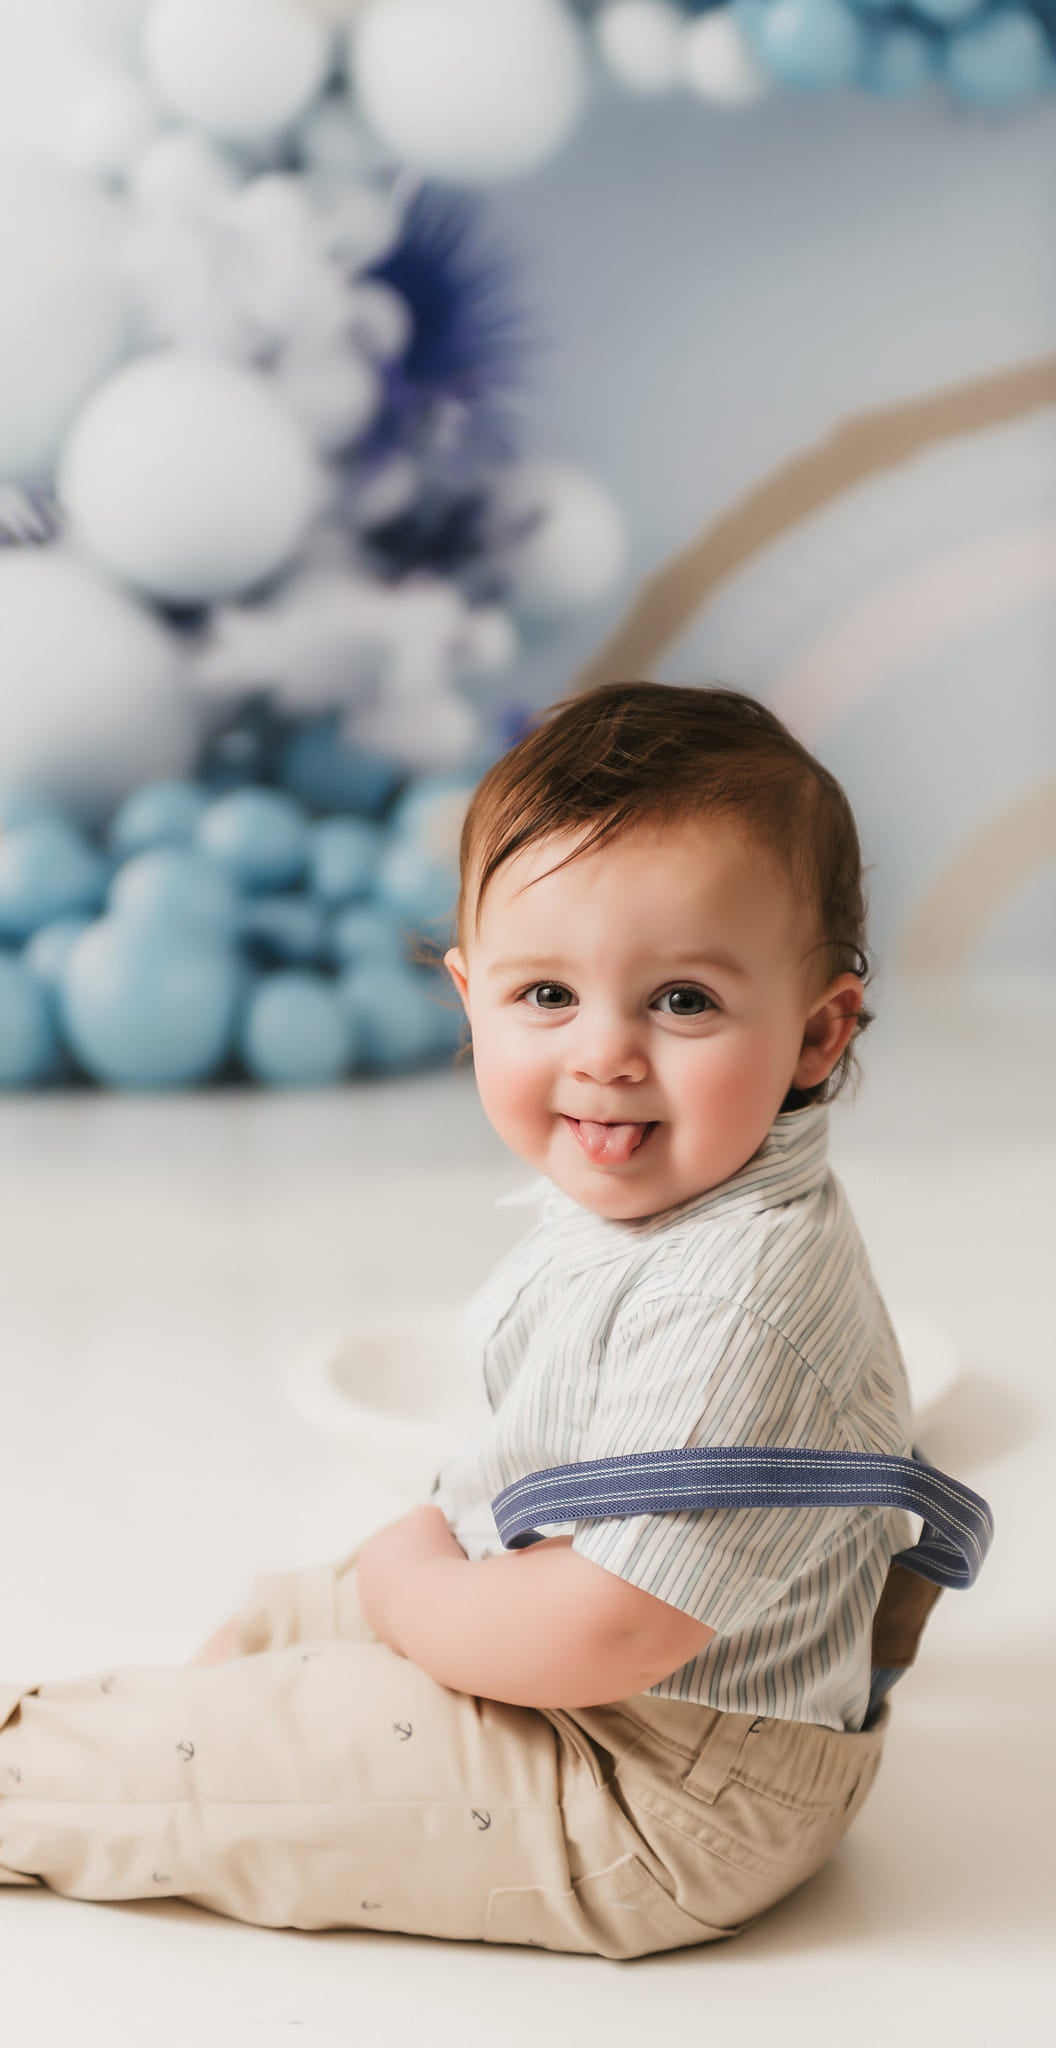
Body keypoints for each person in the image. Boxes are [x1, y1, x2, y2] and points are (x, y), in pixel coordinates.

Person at [0, 680, 991, 1958]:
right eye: (545, 996)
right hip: (609, 1665)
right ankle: (241, 1741)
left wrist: (415, 1593)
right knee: (283, 1615)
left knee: (189, 1744)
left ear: (815, 1029)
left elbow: (611, 1626)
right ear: (468, 993)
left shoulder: (737, 1291)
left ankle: (135, 1776)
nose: (605, 1051)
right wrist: (412, 1571)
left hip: (660, 1794)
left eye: (681, 999)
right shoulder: (672, 1188)